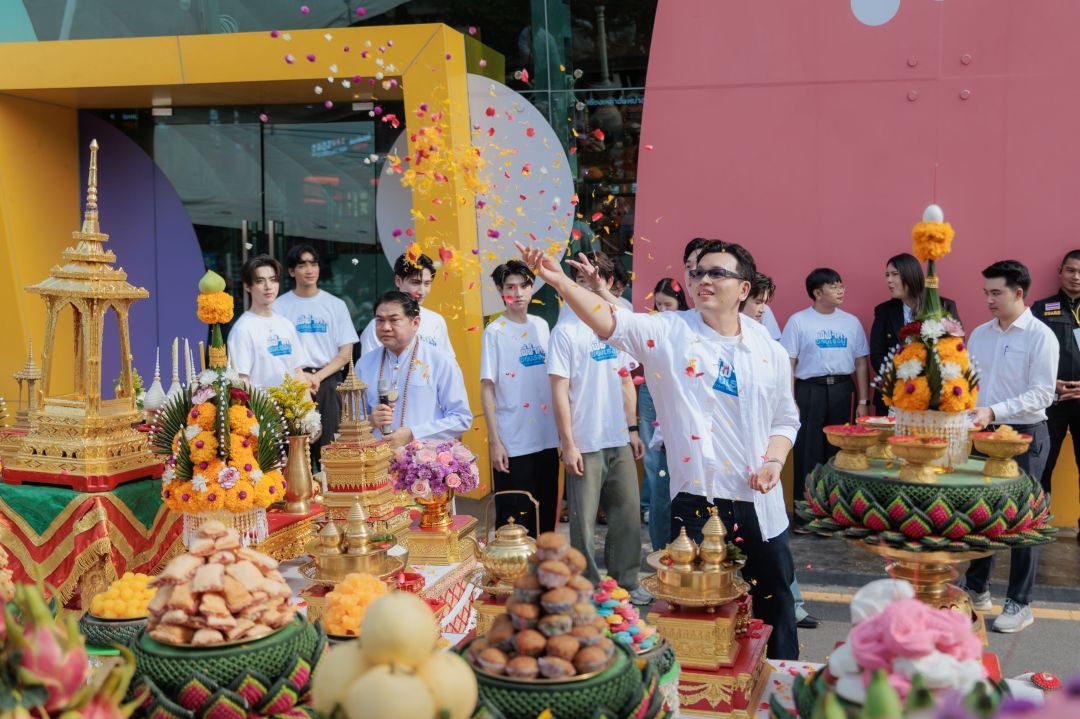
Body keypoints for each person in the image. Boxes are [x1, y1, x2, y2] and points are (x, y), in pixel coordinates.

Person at [521, 238, 801, 660]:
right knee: (693, 615)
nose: (704, 280)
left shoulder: (768, 349)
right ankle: (696, 690)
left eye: (717, 273)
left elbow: (785, 419)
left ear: (743, 289)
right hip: (696, 499)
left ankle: (780, 682)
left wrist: (774, 461)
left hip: (759, 503)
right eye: (698, 272)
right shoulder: (669, 332)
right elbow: (610, 321)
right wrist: (561, 282)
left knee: (775, 603)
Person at [961, 260, 1058, 633]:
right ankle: (977, 588)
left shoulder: (1040, 336)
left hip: (1024, 436)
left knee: (1022, 520)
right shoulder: (980, 334)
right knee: (980, 513)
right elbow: (970, 383)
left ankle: (1020, 602)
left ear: (1018, 293)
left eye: (996, 293)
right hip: (983, 433)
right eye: (986, 293)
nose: (989, 300)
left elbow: (1041, 394)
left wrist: (993, 410)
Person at [547, 250, 646, 599]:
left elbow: (626, 380)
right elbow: (559, 392)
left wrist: (633, 429)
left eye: (593, 279)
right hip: (584, 441)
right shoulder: (564, 331)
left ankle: (626, 582)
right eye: (580, 280)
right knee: (583, 522)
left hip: (618, 436)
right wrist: (568, 443)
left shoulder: (616, 324)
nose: (586, 286)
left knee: (627, 515)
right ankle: (587, 585)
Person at [782, 268, 870, 532]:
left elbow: (861, 363)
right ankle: (806, 516)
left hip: (842, 390)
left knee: (840, 452)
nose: (841, 290)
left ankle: (837, 515)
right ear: (818, 293)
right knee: (808, 452)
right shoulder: (798, 321)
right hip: (810, 390)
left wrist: (864, 401)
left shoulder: (851, 322)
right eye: (834, 286)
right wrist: (789, 400)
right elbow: (788, 363)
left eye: (841, 285)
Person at [481, 261, 560, 536]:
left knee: (545, 518)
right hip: (513, 443)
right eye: (510, 287)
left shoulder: (542, 326)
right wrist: (495, 442)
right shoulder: (495, 331)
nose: (517, 293)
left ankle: (543, 564)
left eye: (524, 285)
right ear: (500, 290)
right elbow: (487, 387)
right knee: (514, 524)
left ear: (532, 287)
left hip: (547, 439)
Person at [274, 245, 359, 467]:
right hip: (292, 384)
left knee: (331, 452)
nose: (309, 269)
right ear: (291, 271)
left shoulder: (336, 305)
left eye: (313, 264)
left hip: (328, 382)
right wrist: (301, 377)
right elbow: (277, 351)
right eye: (302, 265)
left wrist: (318, 377)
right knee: (295, 453)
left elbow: (345, 353)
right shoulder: (279, 306)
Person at [355, 291, 472, 449]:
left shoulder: (440, 361)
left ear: (415, 323)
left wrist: (413, 434)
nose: (386, 327)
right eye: (380, 320)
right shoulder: (364, 364)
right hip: (378, 459)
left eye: (394, 320)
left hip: (426, 459)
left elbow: (461, 418)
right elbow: (352, 421)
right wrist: (370, 421)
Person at [870, 253, 961, 415]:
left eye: (894, 274)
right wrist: (902, 379)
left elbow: (956, 350)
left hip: (934, 397)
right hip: (893, 396)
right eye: (887, 275)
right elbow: (877, 355)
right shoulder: (884, 311)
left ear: (910, 275)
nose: (889, 280)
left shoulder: (943, 306)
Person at [639, 277, 687, 551]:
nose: (663, 310)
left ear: (680, 302)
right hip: (651, 388)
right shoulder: (653, 324)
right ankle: (650, 507)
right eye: (658, 305)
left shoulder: (689, 325)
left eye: (668, 304)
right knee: (653, 454)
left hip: (678, 391)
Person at [1032, 251, 1080, 519]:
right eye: (1071, 270)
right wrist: (1051, 385)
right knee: (1043, 465)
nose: (1076, 277)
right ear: (1060, 272)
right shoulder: (1041, 309)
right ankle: (1038, 525)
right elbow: (1029, 355)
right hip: (1051, 401)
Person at [228, 255, 312, 390]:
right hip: (260, 403)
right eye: (260, 281)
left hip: (293, 402)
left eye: (273, 280)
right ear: (247, 286)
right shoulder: (242, 329)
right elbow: (241, 381)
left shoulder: (286, 324)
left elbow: (297, 372)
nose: (268, 286)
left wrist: (309, 404)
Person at [359, 253, 454, 357]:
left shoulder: (436, 321)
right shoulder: (378, 327)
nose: (422, 291)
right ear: (398, 281)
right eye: (415, 282)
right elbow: (369, 365)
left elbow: (448, 361)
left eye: (427, 283)